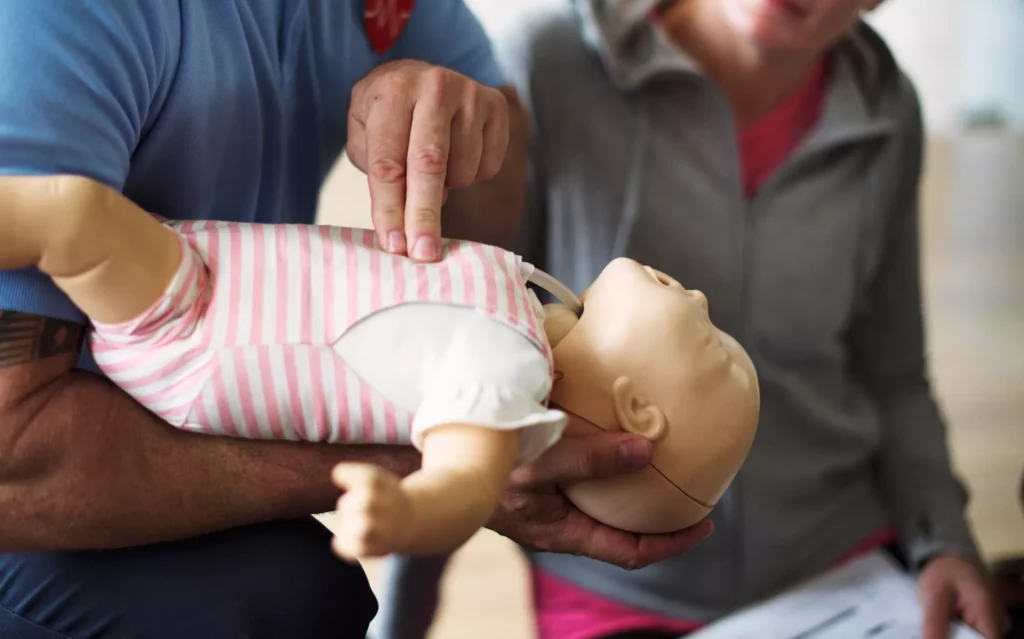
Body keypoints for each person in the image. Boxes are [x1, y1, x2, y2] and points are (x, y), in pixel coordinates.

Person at [0, 2, 710, 638]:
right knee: (74, 219)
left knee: (296, 589)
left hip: (182, 344)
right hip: (115, 369)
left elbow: (460, 484)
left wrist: (462, 129)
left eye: (712, 348)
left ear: (635, 408)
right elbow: (12, 459)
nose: (704, 301)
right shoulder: (58, 20)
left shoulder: (509, 369)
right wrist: (406, 464)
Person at [371, 0, 1009, 638]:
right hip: (612, 587)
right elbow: (462, 357)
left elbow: (892, 372)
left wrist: (945, 542)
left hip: (842, 563)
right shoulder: (549, 64)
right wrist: (401, 615)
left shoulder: (886, 105)